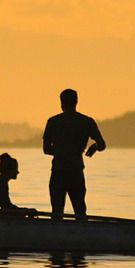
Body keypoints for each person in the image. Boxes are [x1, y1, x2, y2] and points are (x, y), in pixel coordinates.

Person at [43, 89, 106, 220]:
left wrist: (61, 151)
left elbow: (46, 149)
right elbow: (102, 145)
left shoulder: (53, 122)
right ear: (76, 102)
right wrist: (94, 146)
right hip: (76, 171)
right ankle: (82, 236)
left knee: (56, 213)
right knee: (80, 211)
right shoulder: (86, 121)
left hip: (58, 172)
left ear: (61, 103)